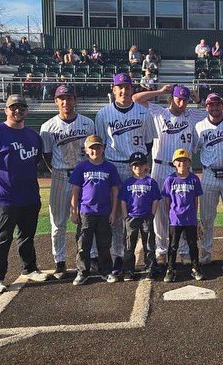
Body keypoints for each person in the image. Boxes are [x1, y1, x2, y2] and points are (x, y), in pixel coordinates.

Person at [0, 95, 52, 294]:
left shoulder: (33, 136)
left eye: (21, 107)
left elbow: (33, 163)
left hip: (29, 195)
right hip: (5, 198)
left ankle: (29, 268)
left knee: (27, 236)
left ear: (27, 110)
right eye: (13, 107)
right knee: (3, 237)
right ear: (5, 110)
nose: (17, 111)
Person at [129, 83, 206, 267]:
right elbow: (135, 99)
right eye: (179, 98)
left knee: (185, 209)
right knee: (162, 213)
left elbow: (210, 113)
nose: (182, 103)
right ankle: (162, 250)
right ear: (171, 98)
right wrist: (159, 92)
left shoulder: (192, 115)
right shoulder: (159, 112)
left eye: (185, 100)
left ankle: (185, 250)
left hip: (183, 170)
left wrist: (198, 100)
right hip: (161, 167)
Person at [93, 73, 156, 279]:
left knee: (140, 213)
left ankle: (147, 257)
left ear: (132, 89)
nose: (123, 90)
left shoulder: (143, 112)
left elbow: (148, 143)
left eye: (127, 87)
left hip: (137, 168)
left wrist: (140, 166)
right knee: (117, 216)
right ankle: (118, 256)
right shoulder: (103, 114)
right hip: (113, 166)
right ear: (113, 89)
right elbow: (100, 143)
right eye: (119, 87)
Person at [41, 85, 96, 280]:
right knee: (58, 222)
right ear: (56, 101)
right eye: (61, 98)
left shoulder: (88, 123)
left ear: (75, 100)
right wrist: (58, 171)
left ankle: (92, 257)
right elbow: (46, 156)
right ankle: (60, 261)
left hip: (84, 177)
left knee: (88, 219)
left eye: (69, 98)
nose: (66, 102)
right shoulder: (47, 127)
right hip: (60, 175)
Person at [194, 93, 223, 265]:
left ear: (222, 105)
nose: (214, 108)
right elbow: (195, 148)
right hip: (209, 174)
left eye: (217, 104)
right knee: (206, 218)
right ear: (206, 107)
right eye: (210, 105)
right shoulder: (199, 126)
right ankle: (205, 251)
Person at [69, 134, 120, 285]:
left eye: (98, 147)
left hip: (104, 212)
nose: (95, 150)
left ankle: (106, 270)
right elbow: (75, 191)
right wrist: (74, 211)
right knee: (83, 244)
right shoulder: (81, 167)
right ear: (86, 150)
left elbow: (115, 192)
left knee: (104, 244)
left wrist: (113, 211)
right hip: (86, 212)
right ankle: (82, 272)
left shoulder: (110, 167)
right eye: (91, 148)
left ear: (103, 149)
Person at [162, 148, 204, 283]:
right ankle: (170, 269)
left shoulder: (194, 179)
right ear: (174, 163)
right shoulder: (170, 179)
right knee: (173, 245)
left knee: (193, 244)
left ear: (189, 163)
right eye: (179, 161)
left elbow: (196, 199)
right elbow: (167, 200)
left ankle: (195, 268)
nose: (182, 164)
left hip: (190, 217)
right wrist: (170, 214)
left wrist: (195, 216)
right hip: (175, 218)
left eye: (185, 161)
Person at [119, 152, 162, 280]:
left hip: (146, 217)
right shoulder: (127, 183)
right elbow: (123, 200)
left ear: (146, 166)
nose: (138, 167)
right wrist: (125, 215)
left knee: (149, 243)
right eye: (135, 165)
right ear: (131, 167)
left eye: (141, 164)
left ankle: (150, 267)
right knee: (129, 245)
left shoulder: (151, 182)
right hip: (131, 217)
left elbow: (155, 199)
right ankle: (128, 270)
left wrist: (152, 214)